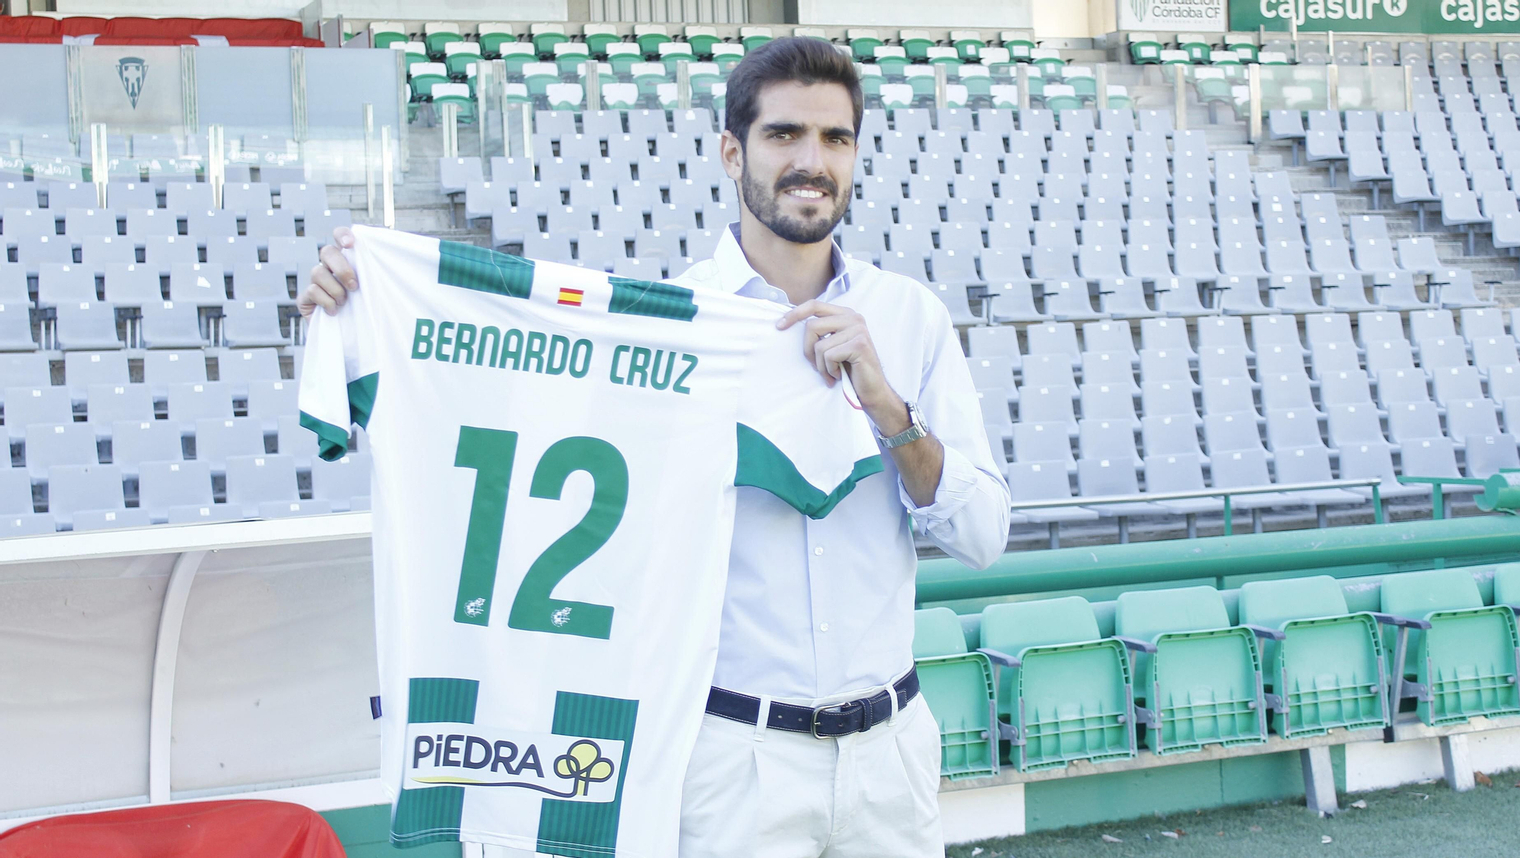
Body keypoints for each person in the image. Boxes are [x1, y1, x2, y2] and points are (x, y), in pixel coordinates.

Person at [299, 36, 1010, 858]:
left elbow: (984, 535)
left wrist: (891, 410)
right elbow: (491, 394)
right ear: (732, 153)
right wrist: (363, 304)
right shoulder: (665, 327)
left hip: (892, 752)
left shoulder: (912, 317)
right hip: (733, 760)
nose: (812, 162)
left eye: (835, 138)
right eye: (784, 135)